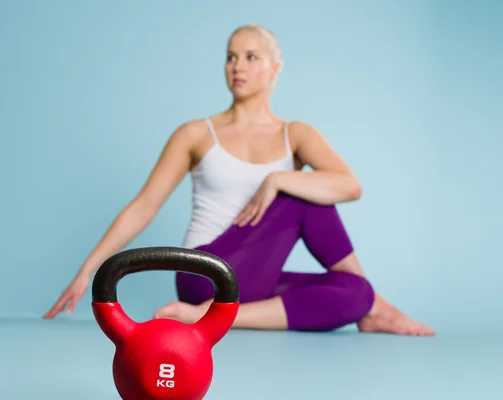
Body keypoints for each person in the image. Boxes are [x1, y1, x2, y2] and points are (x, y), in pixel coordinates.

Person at [43, 24, 435, 336]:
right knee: (299, 197)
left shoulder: (294, 134)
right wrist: (88, 271)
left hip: (252, 282)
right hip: (204, 273)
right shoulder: (197, 134)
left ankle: (210, 317)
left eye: (251, 57)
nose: (237, 66)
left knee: (356, 293)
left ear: (275, 68)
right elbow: (143, 206)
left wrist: (277, 178)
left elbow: (351, 186)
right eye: (231, 57)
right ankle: (379, 310)